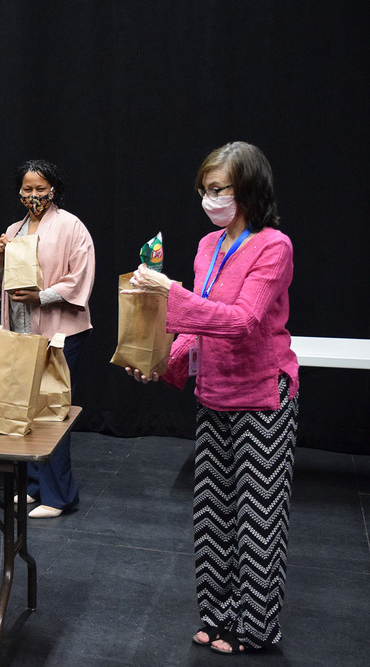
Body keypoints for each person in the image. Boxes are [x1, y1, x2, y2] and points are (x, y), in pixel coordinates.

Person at [125, 141, 298, 655]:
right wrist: (163, 363)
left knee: (258, 519)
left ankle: (256, 626)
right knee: (213, 516)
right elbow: (198, 325)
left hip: (262, 395)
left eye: (218, 188)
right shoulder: (207, 245)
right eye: (204, 189)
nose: (209, 198)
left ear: (247, 189)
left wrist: (169, 296)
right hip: (216, 394)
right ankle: (218, 615)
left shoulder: (274, 246)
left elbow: (243, 321)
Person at [0, 159, 95, 519]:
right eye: (27, 189)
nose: (33, 195)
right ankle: (34, 486)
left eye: (40, 189)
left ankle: (59, 495)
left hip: (58, 333)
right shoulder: (14, 229)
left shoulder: (71, 227)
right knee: (27, 410)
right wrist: (0, 259)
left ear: (53, 190)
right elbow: (0, 280)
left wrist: (41, 296)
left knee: (54, 410)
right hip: (20, 332)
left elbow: (80, 279)